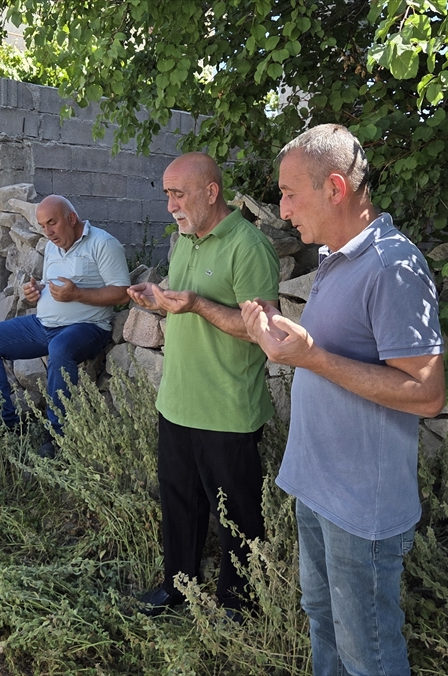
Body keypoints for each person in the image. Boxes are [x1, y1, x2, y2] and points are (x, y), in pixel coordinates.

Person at [241, 124, 446, 676]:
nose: (282, 211)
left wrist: (312, 358)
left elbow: (427, 394)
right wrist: (279, 335)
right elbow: (332, 350)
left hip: (361, 509)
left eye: (289, 194)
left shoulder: (393, 266)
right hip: (318, 487)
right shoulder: (336, 257)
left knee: (367, 655)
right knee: (323, 623)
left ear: (334, 188)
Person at [127, 152, 280, 616]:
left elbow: (261, 330)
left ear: (211, 192)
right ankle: (178, 588)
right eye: (167, 195)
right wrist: (158, 299)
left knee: (236, 513)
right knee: (179, 503)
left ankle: (240, 604)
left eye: (179, 194)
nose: (170, 205)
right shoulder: (185, 241)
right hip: (177, 400)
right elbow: (185, 304)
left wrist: (196, 305)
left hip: (227, 408)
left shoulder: (249, 247)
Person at [0, 196, 130, 457]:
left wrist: (77, 294)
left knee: (60, 348)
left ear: (71, 218)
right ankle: (6, 425)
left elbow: (122, 293)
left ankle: (57, 436)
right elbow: (51, 284)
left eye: (52, 223)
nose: (48, 232)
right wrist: (36, 292)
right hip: (43, 325)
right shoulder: (53, 247)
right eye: (43, 226)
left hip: (87, 327)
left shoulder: (103, 243)